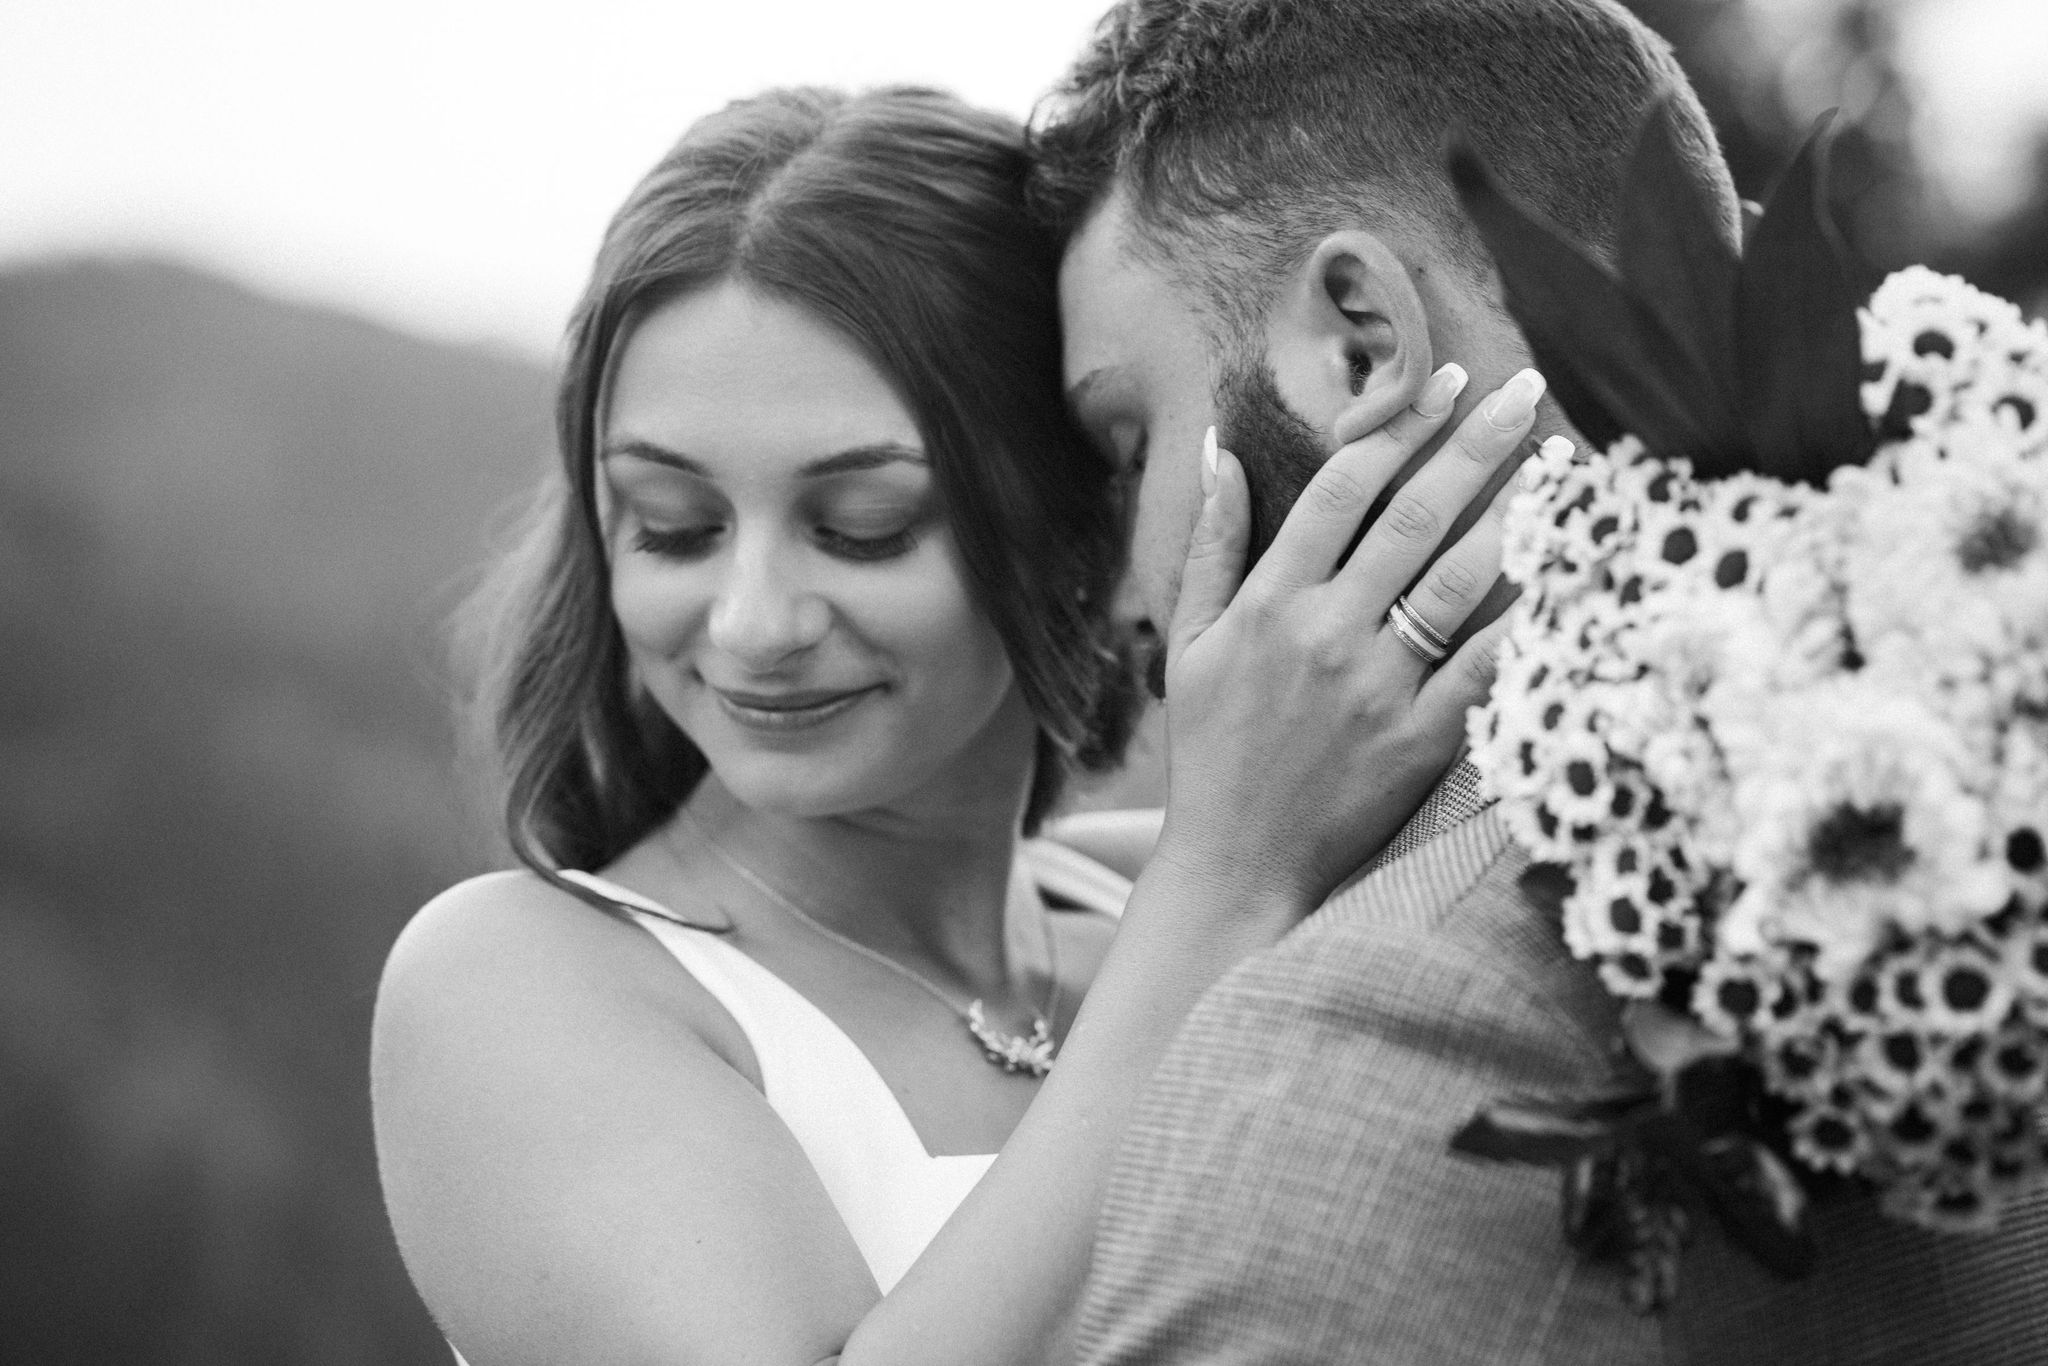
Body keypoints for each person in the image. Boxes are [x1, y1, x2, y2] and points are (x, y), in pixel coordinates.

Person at [369, 85, 1541, 1366]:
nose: (752, 622)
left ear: (1074, 525)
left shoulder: (1165, 890)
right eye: (673, 526)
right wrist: (1224, 885)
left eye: (861, 526)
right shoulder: (516, 979)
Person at [1033, 1, 2048, 1362]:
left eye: (1123, 440)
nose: (1116, 595)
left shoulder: (1355, 1065)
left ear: (1359, 345)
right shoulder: (1995, 744)